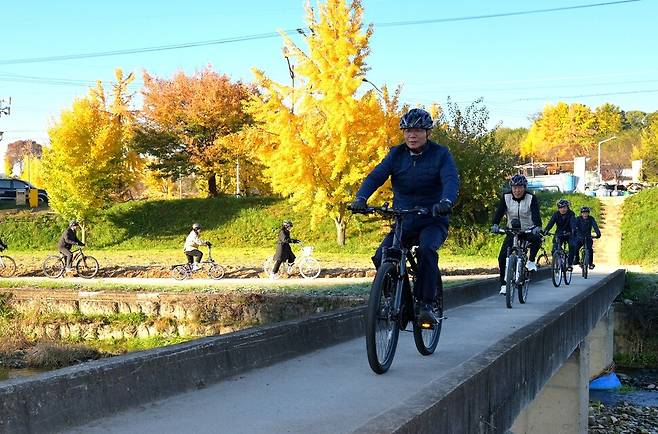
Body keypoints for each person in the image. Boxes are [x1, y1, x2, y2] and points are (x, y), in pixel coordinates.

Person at [351, 108, 460, 324]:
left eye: (418, 130)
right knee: (381, 255)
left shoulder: (441, 154)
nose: (412, 135)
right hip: (405, 220)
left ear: (428, 132)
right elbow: (376, 176)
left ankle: (426, 304)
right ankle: (394, 297)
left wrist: (446, 202)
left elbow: (450, 180)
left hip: (432, 219)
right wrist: (361, 198)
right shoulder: (396, 154)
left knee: (427, 250)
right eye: (408, 130)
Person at [491, 174, 542, 294]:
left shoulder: (531, 198)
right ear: (511, 188)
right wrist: (495, 225)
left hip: (527, 229)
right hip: (512, 231)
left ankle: (531, 261)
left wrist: (537, 226)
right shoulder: (506, 197)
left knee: (537, 239)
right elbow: (499, 212)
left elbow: (536, 215)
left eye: (520, 187)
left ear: (524, 188)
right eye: (514, 187)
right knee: (502, 257)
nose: (517, 190)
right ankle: (504, 284)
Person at [544, 198, 577, 271]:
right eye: (560, 208)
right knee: (554, 249)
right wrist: (546, 230)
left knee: (572, 246)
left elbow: (573, 223)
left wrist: (573, 230)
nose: (562, 209)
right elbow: (551, 223)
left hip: (569, 233)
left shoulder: (571, 214)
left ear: (567, 207)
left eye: (564, 207)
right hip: (559, 233)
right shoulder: (556, 214)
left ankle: (570, 263)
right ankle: (558, 262)